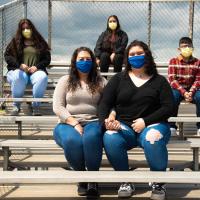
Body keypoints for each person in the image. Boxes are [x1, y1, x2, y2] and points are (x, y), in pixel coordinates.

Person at [98, 40, 174, 200]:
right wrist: (107, 121)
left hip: (153, 125)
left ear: (147, 55)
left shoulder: (159, 81)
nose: (136, 57)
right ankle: (125, 180)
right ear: (127, 58)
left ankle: (158, 182)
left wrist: (145, 121)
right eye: (132, 54)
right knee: (110, 136)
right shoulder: (119, 79)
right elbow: (104, 103)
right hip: (125, 127)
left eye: (139, 53)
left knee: (152, 136)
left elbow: (169, 107)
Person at [53, 47, 107, 198]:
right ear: (74, 62)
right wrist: (74, 123)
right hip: (67, 123)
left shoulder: (101, 81)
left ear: (93, 62)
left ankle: (93, 180)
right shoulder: (65, 80)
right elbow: (58, 106)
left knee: (91, 138)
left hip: (93, 121)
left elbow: (109, 103)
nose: (85, 62)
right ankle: (81, 177)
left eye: (88, 59)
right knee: (72, 140)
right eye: (81, 59)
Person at [4, 18, 51, 116]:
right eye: (23, 28)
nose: (26, 30)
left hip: (35, 72)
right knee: (17, 76)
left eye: (28, 28)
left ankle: (36, 106)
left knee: (42, 76)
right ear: (20, 30)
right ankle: (16, 106)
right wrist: (19, 65)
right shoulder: (15, 42)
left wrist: (37, 67)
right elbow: (7, 56)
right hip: (19, 71)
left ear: (32, 28)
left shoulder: (40, 42)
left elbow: (47, 59)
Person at [168, 37, 200, 136]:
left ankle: (199, 127)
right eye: (184, 46)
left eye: (189, 46)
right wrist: (184, 92)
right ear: (179, 49)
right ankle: (172, 126)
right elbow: (172, 80)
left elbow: (198, 79)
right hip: (178, 89)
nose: (186, 48)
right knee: (172, 96)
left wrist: (191, 92)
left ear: (192, 48)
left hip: (193, 89)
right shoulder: (173, 61)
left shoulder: (197, 62)